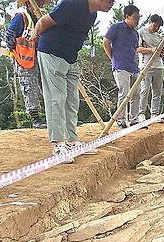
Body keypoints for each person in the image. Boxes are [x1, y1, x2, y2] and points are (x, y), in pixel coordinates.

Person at [32, 0, 113, 161]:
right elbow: (43, 22)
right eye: (110, 0)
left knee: (72, 101)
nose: (112, 3)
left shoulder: (93, 15)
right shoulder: (73, 3)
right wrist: (35, 37)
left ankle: (72, 141)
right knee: (56, 98)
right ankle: (59, 145)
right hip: (52, 52)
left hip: (71, 57)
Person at [5, 0, 52, 129]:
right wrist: (14, 52)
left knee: (48, 86)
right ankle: (36, 119)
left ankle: (54, 117)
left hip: (41, 55)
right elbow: (10, 34)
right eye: (40, 2)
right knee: (29, 86)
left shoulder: (41, 16)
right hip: (25, 58)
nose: (42, 4)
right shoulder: (22, 15)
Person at [103, 5, 140, 129]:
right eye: (135, 18)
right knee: (124, 92)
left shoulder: (135, 33)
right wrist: (113, 58)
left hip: (134, 67)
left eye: (138, 18)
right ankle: (121, 119)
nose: (137, 20)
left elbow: (135, 49)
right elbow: (106, 42)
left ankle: (134, 119)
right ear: (127, 16)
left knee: (136, 93)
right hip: (120, 65)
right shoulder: (116, 28)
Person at [137, 14, 164, 121]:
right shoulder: (141, 32)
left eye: (158, 27)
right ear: (150, 22)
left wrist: (162, 52)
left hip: (158, 66)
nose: (156, 28)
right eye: (155, 25)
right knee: (144, 90)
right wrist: (151, 50)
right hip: (146, 65)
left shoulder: (159, 37)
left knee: (157, 91)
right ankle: (141, 113)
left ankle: (155, 114)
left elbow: (163, 54)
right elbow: (137, 48)